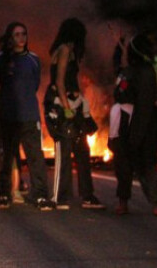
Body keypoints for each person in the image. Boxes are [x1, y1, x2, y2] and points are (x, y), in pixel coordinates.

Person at [0, 22, 55, 211]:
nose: (21, 38)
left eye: (23, 34)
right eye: (17, 34)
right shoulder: (0, 59)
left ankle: (40, 195)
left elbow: (34, 85)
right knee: (7, 156)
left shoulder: (33, 59)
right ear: (10, 37)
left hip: (29, 115)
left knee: (35, 156)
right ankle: (3, 192)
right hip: (8, 115)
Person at [44, 18, 103, 210]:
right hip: (63, 106)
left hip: (71, 104)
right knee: (65, 149)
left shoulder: (64, 51)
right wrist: (67, 107)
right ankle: (59, 197)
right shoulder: (65, 50)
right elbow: (60, 81)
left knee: (82, 149)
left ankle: (88, 195)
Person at [109, 34, 157, 217]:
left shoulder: (147, 72)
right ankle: (123, 201)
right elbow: (117, 70)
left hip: (140, 122)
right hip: (122, 123)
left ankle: (156, 202)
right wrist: (117, 51)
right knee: (122, 164)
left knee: (146, 162)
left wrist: (136, 135)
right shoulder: (128, 70)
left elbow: (144, 104)